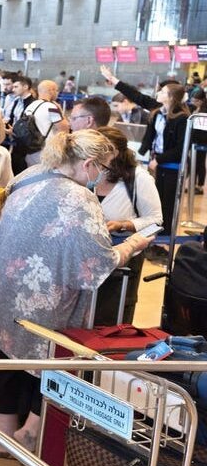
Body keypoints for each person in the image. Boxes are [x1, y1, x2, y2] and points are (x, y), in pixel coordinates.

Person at [0, 130, 152, 452]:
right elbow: (99, 259)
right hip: (40, 299)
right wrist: (132, 245)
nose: (102, 177)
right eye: (103, 168)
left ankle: (3, 441)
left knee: (3, 358)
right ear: (88, 164)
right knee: (54, 365)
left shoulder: (33, 173)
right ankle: (29, 434)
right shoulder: (79, 198)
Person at [100, 65, 188, 233]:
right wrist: (113, 79)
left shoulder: (182, 119)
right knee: (158, 203)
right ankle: (155, 237)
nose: (159, 92)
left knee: (168, 205)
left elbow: (180, 148)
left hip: (172, 166)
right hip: (157, 163)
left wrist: (158, 160)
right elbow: (137, 96)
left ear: (171, 97)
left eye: (163, 92)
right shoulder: (158, 110)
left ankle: (165, 241)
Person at [92, 125, 162, 326]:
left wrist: (124, 224)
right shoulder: (87, 172)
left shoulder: (138, 178)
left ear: (114, 152)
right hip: (89, 253)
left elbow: (156, 219)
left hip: (125, 259)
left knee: (114, 315)